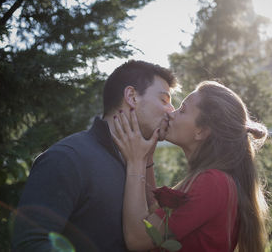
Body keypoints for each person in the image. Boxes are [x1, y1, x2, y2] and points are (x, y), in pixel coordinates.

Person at [12, 60, 177, 252]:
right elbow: (30, 244)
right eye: (164, 100)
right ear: (132, 96)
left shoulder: (135, 162)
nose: (171, 110)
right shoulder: (67, 158)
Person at [112, 81, 270, 252]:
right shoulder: (218, 180)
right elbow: (152, 220)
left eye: (182, 110)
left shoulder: (212, 182)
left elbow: (138, 239)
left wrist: (135, 162)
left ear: (201, 131)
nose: (171, 113)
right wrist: (147, 156)